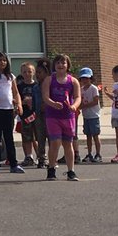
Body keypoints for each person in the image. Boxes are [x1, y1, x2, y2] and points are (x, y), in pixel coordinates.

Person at [42, 54, 81, 182]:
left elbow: (77, 97)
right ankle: (51, 169)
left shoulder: (73, 81)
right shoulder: (49, 79)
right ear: (54, 65)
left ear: (68, 65)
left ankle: (71, 171)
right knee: (55, 143)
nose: (60, 65)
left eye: (63, 63)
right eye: (58, 63)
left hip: (68, 116)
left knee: (68, 144)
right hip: (53, 116)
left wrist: (74, 106)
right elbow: (45, 97)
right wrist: (53, 103)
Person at [0, 51, 24, 174]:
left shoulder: (10, 76)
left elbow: (15, 92)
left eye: (4, 60)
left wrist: (19, 104)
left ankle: (13, 164)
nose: (2, 62)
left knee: (9, 137)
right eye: (0, 60)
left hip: (8, 110)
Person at [16, 62, 38, 169]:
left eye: (29, 71)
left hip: (36, 115)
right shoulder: (19, 86)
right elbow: (17, 98)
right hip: (25, 115)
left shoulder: (37, 86)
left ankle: (41, 156)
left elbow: (41, 99)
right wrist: (22, 102)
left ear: (33, 72)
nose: (27, 74)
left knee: (38, 137)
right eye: (24, 72)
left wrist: (32, 101)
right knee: (27, 137)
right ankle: (28, 156)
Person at [78, 67, 103, 163]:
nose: (85, 80)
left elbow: (95, 101)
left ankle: (98, 153)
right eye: (83, 78)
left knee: (95, 135)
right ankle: (89, 153)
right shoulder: (81, 89)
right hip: (86, 116)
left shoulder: (94, 88)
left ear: (91, 78)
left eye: (87, 78)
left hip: (94, 115)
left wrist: (84, 106)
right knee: (88, 135)